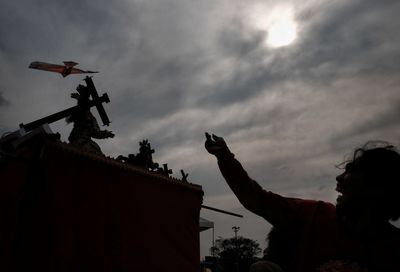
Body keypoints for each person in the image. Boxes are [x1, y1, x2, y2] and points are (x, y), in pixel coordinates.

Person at [204, 133, 400, 272]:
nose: (339, 178)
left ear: (377, 188)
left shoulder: (392, 249)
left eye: (351, 172)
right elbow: (255, 198)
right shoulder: (312, 213)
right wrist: (224, 156)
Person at [67, 84, 114, 155]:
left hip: (84, 144)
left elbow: (96, 133)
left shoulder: (90, 118)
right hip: (79, 143)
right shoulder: (80, 114)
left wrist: (107, 134)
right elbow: (83, 105)